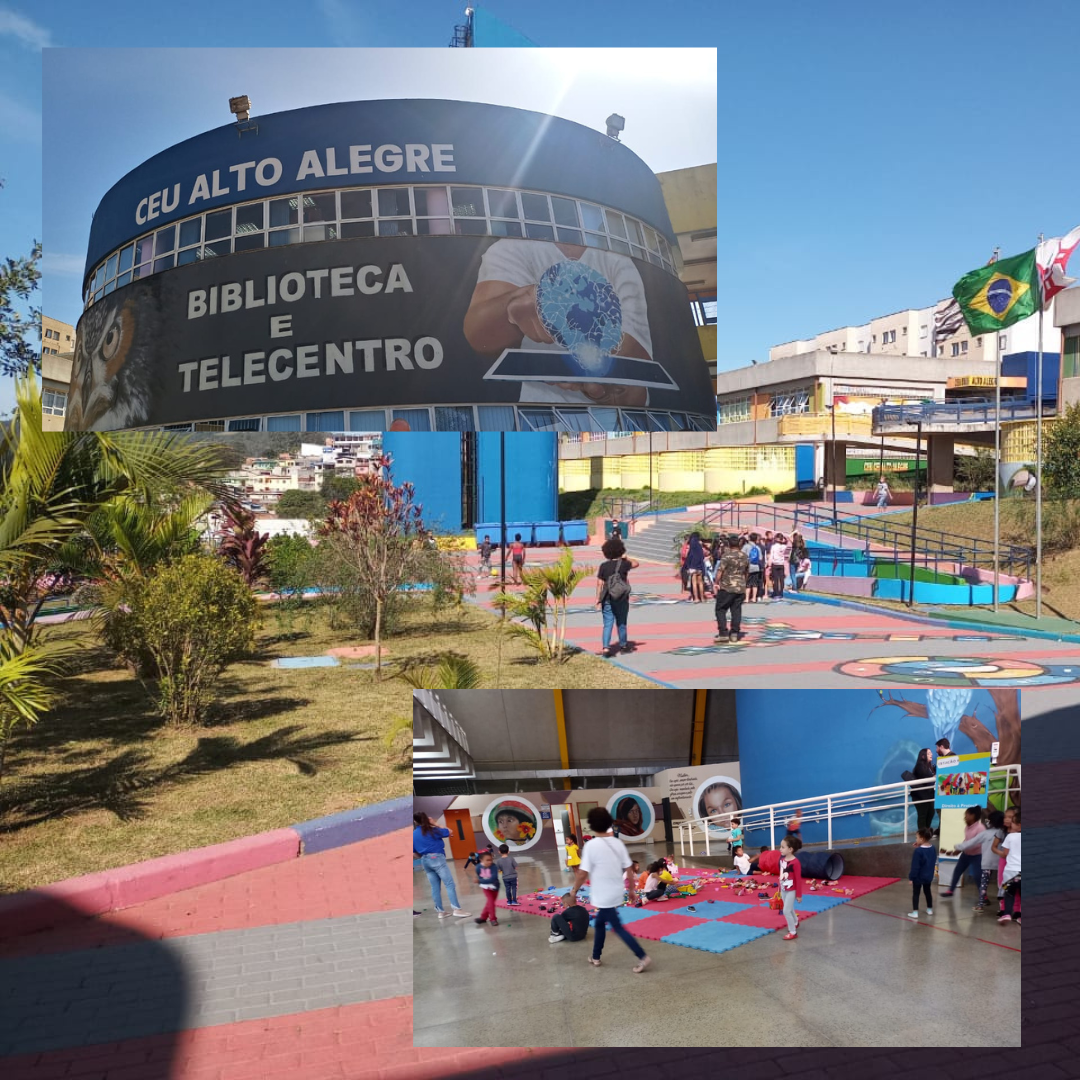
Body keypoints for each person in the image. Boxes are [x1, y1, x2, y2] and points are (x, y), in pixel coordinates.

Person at [463, 235, 652, 408]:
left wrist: (608, 385)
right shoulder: (510, 249)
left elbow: (636, 366)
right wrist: (512, 305)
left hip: (615, 418)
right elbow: (478, 334)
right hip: (540, 414)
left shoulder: (618, 261)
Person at [571, 806, 651, 972]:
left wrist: (573, 892)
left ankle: (642, 956)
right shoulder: (617, 843)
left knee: (618, 927)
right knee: (600, 923)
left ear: (592, 825)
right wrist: (631, 890)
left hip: (604, 896)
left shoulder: (591, 846)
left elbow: (582, 874)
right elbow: (629, 868)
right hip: (616, 893)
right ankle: (595, 956)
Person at [412, 812, 469, 919]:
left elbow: (414, 853)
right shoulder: (433, 830)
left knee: (435, 887)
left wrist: (424, 855)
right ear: (427, 819)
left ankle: (440, 912)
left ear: (415, 821)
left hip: (425, 861)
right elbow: (450, 831)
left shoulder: (414, 834)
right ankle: (457, 909)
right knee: (449, 884)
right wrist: (435, 823)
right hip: (437, 858)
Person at [596, 536, 639, 658]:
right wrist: (625, 557)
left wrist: (598, 599)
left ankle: (605, 648)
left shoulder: (603, 566)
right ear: (621, 550)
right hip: (621, 598)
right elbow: (636, 564)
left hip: (607, 598)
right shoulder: (624, 564)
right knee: (621, 622)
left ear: (606, 552)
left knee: (608, 623)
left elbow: (600, 583)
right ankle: (623, 646)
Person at [959, 808, 1006, 912]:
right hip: (1002, 863)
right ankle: (1003, 907)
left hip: (987, 863)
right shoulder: (1004, 833)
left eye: (988, 820)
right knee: (1002, 885)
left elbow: (971, 842)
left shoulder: (985, 833)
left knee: (983, 885)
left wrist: (958, 847)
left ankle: (980, 905)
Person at [939, 805, 985, 897]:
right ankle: (950, 891)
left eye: (966, 815)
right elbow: (966, 841)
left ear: (972, 816)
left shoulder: (980, 828)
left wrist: (960, 847)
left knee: (977, 876)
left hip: (977, 856)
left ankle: (984, 896)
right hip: (966, 854)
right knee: (957, 871)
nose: (965, 817)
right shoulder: (967, 827)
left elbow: (977, 844)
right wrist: (954, 851)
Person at [714, 534, 750, 644]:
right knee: (736, 610)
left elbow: (720, 570)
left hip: (727, 586)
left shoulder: (726, 556)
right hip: (740, 587)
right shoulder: (744, 556)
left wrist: (716, 582)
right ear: (739, 544)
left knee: (720, 609)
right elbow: (746, 572)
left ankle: (723, 633)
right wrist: (743, 582)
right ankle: (734, 633)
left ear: (729, 544)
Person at [991, 809, 1020, 924]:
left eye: (1010, 817)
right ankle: (1003, 909)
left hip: (1013, 864)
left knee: (1016, 888)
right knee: (1003, 885)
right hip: (1005, 861)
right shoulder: (1001, 832)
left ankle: (1017, 910)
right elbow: (994, 847)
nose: (1007, 819)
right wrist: (1002, 854)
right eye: (1005, 817)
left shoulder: (1015, 835)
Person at [778, 835, 804, 940]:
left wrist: (799, 895)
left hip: (791, 890)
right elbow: (781, 874)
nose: (780, 849)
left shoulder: (795, 862)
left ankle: (793, 932)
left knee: (786, 911)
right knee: (789, 908)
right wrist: (780, 888)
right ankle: (795, 922)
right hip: (784, 888)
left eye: (783, 847)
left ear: (790, 849)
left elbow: (798, 879)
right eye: (781, 846)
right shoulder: (782, 860)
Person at [908, 827, 937, 919]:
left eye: (917, 838)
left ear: (922, 839)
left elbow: (915, 866)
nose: (916, 839)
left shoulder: (918, 851)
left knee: (916, 893)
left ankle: (915, 912)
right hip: (928, 876)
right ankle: (929, 909)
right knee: (927, 892)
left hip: (918, 877)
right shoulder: (932, 848)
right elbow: (931, 860)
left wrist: (911, 877)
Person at [908, 748, 937, 833]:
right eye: (929, 753)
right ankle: (922, 834)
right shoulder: (920, 766)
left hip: (929, 795)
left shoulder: (930, 767)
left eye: (931, 753)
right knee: (922, 815)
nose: (931, 754)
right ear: (923, 756)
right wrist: (933, 778)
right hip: (920, 796)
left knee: (931, 812)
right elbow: (925, 778)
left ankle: (926, 831)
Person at [473, 850, 501, 926]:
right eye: (487, 860)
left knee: (489, 903)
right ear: (481, 860)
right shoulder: (478, 867)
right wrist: (479, 880)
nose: (490, 862)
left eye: (491, 860)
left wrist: (479, 881)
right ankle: (493, 919)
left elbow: (493, 878)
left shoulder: (494, 867)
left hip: (495, 887)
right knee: (491, 902)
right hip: (486, 887)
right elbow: (478, 875)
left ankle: (483, 917)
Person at [682, 532, 707, 603]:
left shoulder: (692, 545)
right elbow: (702, 556)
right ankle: (702, 598)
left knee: (694, 583)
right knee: (701, 582)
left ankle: (696, 598)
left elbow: (689, 557)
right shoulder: (699, 546)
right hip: (699, 567)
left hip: (693, 567)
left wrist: (687, 566)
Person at [743, 532, 764, 602]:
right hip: (756, 567)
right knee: (755, 583)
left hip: (748, 567)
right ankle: (754, 598)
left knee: (748, 584)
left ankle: (746, 598)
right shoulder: (757, 547)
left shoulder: (746, 546)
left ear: (749, 538)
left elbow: (742, 555)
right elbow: (760, 558)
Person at [768, 532, 790, 599]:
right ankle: (781, 593)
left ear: (776, 539)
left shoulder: (774, 546)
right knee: (781, 579)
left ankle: (776, 593)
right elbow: (787, 540)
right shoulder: (784, 546)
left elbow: (771, 556)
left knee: (775, 579)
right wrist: (783, 539)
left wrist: (769, 564)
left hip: (775, 564)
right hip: (781, 564)